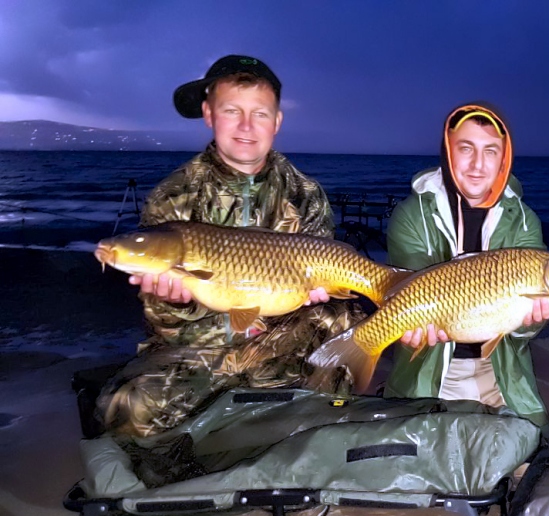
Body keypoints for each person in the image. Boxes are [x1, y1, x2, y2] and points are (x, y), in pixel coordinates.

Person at [97, 54, 363, 437]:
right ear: (208, 114)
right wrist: (176, 302)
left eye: (259, 113)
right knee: (126, 408)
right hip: (198, 352)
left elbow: (320, 293)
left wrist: (322, 294)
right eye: (231, 110)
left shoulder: (305, 194)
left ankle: (311, 441)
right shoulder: (173, 196)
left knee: (344, 322)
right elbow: (164, 327)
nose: (246, 126)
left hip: (279, 342)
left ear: (277, 121)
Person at [384, 102, 549, 426]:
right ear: (447, 151)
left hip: (499, 369)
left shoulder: (524, 222)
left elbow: (520, 330)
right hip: (429, 369)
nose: (477, 165)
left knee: (529, 459)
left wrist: (530, 321)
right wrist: (402, 326)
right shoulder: (411, 216)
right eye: (465, 149)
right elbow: (410, 291)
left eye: (491, 151)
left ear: (504, 159)